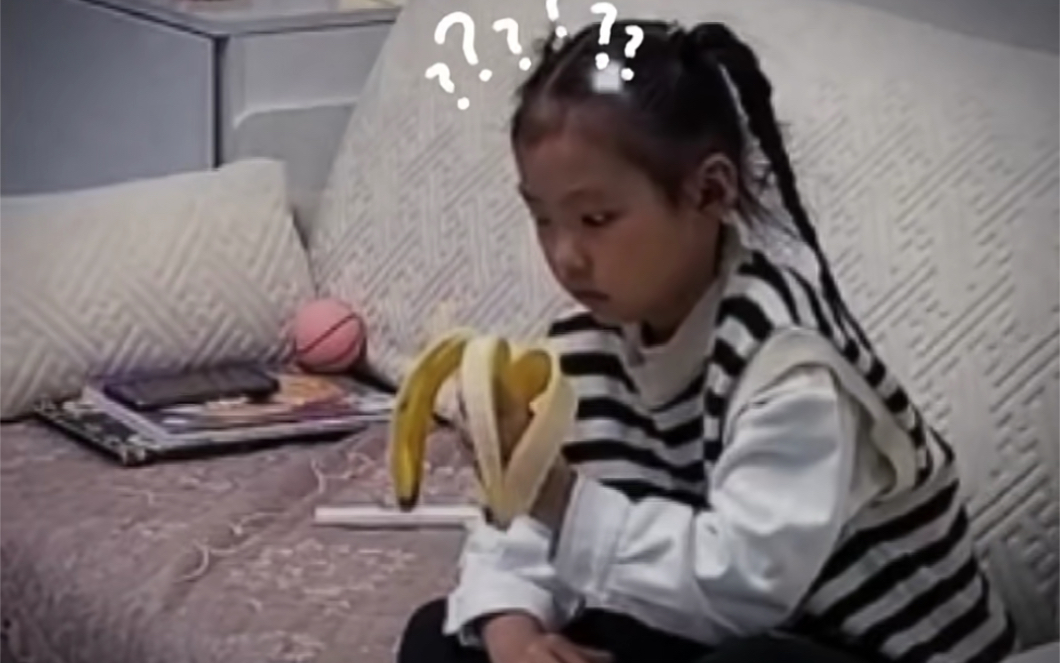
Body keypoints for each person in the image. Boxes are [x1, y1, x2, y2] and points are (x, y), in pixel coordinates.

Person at [396, 19, 1016, 663]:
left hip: (851, 646)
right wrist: (514, 632)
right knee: (440, 636)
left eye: (596, 219)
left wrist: (558, 497)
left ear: (710, 191)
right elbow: (518, 531)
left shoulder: (784, 357)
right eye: (543, 218)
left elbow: (748, 586)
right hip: (697, 621)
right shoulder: (578, 348)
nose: (565, 255)